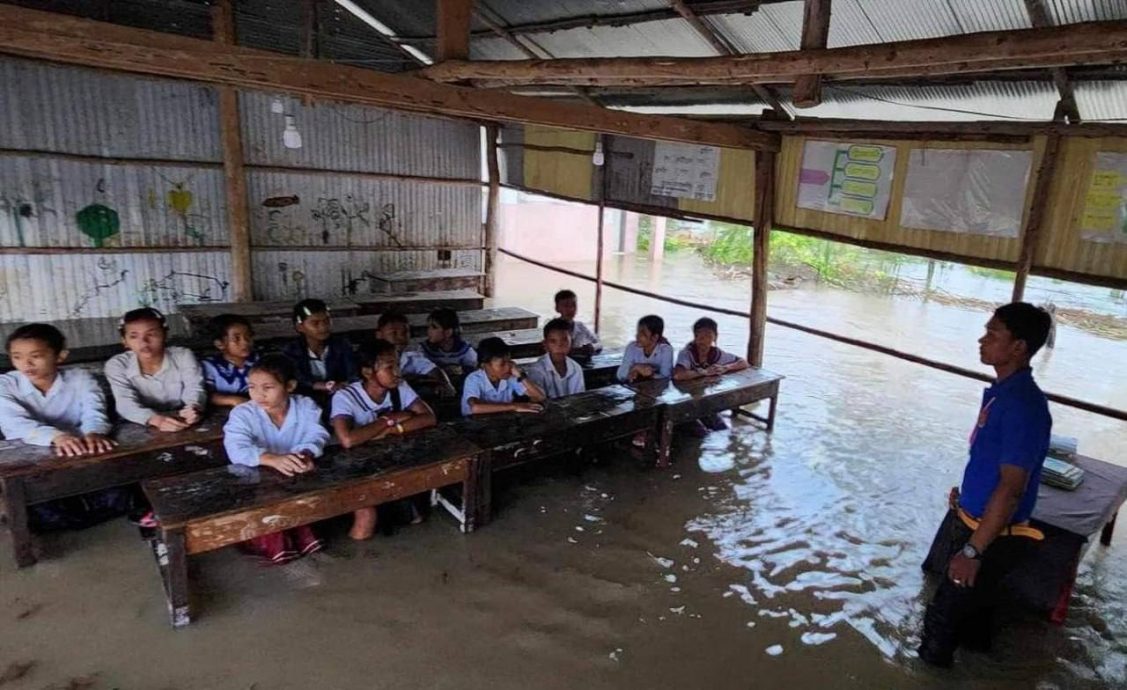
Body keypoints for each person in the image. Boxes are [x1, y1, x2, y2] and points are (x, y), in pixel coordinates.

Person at [918, 302, 1053, 668]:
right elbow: (989, 462)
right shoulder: (1002, 392)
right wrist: (968, 497)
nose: (982, 340)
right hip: (975, 520)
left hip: (989, 538)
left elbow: (1012, 488)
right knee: (974, 619)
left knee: (939, 625)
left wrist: (973, 552)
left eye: (993, 334)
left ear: (1018, 347)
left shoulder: (1023, 406)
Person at [0, 324, 135, 531]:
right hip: (32, 460)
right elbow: (16, 424)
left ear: (60, 356)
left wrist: (94, 432)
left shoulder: (80, 378)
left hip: (80, 453)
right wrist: (57, 437)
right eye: (17, 357)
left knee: (118, 498)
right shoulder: (6, 385)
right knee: (43, 516)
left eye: (36, 356)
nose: (26, 364)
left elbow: (94, 411)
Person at [222, 354, 328, 564]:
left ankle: (300, 537)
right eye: (252, 387)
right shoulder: (243, 413)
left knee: (300, 491)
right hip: (254, 477)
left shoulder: (306, 406)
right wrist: (272, 459)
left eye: (267, 387)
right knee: (270, 498)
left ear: (289, 386)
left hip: (294, 472)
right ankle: (277, 544)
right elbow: (236, 448)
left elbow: (317, 434)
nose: (258, 394)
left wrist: (304, 453)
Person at [330, 339, 437, 540]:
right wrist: (387, 420)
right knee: (366, 521)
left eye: (397, 364)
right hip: (356, 466)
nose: (397, 372)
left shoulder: (399, 387)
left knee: (415, 516)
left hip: (390, 459)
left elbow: (429, 417)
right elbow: (348, 440)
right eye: (390, 367)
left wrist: (393, 430)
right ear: (368, 372)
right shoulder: (346, 396)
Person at [104, 307, 206, 431]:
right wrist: (155, 419)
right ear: (125, 341)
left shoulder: (183, 356)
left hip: (182, 419)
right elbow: (125, 403)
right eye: (134, 336)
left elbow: (194, 388)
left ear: (165, 334)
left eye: (151, 334)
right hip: (138, 424)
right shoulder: (117, 365)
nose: (144, 342)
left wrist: (193, 407)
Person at [673, 317, 750, 433]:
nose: (705, 341)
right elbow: (678, 375)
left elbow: (744, 363)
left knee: (721, 428)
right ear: (695, 337)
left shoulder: (716, 353)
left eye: (709, 336)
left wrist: (726, 367)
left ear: (715, 337)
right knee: (701, 433)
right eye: (701, 336)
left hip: (704, 401)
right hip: (685, 402)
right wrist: (703, 372)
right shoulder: (686, 353)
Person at [281, 299, 358, 396]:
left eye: (326, 321)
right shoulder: (292, 351)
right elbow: (296, 380)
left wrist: (344, 385)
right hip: (306, 398)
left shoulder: (341, 345)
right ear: (300, 327)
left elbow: (352, 374)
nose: (323, 327)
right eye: (315, 323)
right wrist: (320, 385)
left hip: (339, 395)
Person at [375, 311, 456, 397]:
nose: (400, 337)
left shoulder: (411, 357)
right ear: (379, 335)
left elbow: (434, 370)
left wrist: (445, 384)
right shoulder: (371, 358)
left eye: (405, 332)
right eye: (393, 333)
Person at [461, 336, 546, 416]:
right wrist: (515, 406)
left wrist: (521, 376)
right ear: (484, 365)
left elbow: (539, 396)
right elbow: (475, 407)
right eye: (502, 364)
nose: (508, 367)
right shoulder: (474, 379)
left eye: (509, 361)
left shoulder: (510, 377)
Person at [201, 314, 259, 407]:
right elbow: (206, 395)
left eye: (248, 336)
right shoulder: (210, 366)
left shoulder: (259, 362)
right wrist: (234, 400)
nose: (245, 342)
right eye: (236, 338)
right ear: (220, 344)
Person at [525, 318, 585, 399]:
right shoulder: (537, 370)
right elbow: (538, 400)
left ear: (572, 342)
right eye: (553, 341)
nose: (559, 346)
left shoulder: (576, 368)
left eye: (564, 340)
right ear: (545, 344)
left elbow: (579, 398)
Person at [616, 314, 674, 384]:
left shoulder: (665, 350)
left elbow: (666, 377)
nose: (637, 336)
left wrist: (651, 374)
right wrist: (635, 368)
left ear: (654, 337)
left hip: (655, 390)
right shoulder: (632, 347)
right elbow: (620, 375)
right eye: (638, 332)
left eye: (642, 334)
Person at [418, 308, 477, 375]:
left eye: (434, 327)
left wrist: (462, 369)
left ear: (448, 332)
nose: (429, 331)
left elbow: (474, 367)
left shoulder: (463, 349)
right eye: (428, 327)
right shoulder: (424, 349)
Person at [554, 289, 601, 357]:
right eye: (566, 306)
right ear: (557, 308)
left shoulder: (580, 326)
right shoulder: (553, 327)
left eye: (574, 305)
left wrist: (592, 347)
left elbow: (599, 343)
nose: (571, 309)